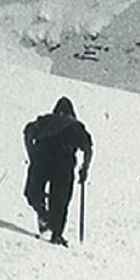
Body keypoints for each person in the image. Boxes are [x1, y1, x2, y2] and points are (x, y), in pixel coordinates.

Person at [23, 96, 93, 246]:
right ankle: (56, 234)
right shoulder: (75, 126)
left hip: (42, 159)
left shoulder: (45, 121)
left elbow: (28, 132)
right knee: (60, 201)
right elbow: (88, 148)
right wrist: (85, 169)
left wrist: (32, 154)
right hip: (64, 164)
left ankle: (43, 214)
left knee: (32, 192)